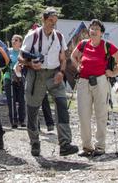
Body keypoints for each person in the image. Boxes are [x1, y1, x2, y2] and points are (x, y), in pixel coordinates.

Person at [20, 8, 79, 157]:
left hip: (55, 75)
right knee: (32, 111)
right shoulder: (32, 36)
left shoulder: (59, 36)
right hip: (36, 75)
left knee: (62, 106)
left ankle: (65, 144)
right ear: (44, 20)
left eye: (55, 21)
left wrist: (61, 72)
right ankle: (34, 143)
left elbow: (63, 58)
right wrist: (30, 64)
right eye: (50, 21)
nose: (53, 24)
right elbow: (21, 57)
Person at [70, 19, 118, 157]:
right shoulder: (83, 44)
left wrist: (114, 73)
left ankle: (100, 146)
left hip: (101, 81)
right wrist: (78, 66)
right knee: (83, 114)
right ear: (88, 31)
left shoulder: (106, 45)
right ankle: (86, 147)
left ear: (102, 33)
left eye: (97, 29)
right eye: (92, 28)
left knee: (101, 114)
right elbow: (73, 56)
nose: (94, 31)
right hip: (83, 82)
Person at [5, 34, 26, 128]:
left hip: (20, 78)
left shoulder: (23, 52)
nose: (14, 41)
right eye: (13, 39)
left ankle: (22, 120)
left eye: (16, 40)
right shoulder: (8, 51)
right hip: (9, 77)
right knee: (11, 100)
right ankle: (13, 120)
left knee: (22, 100)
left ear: (20, 42)